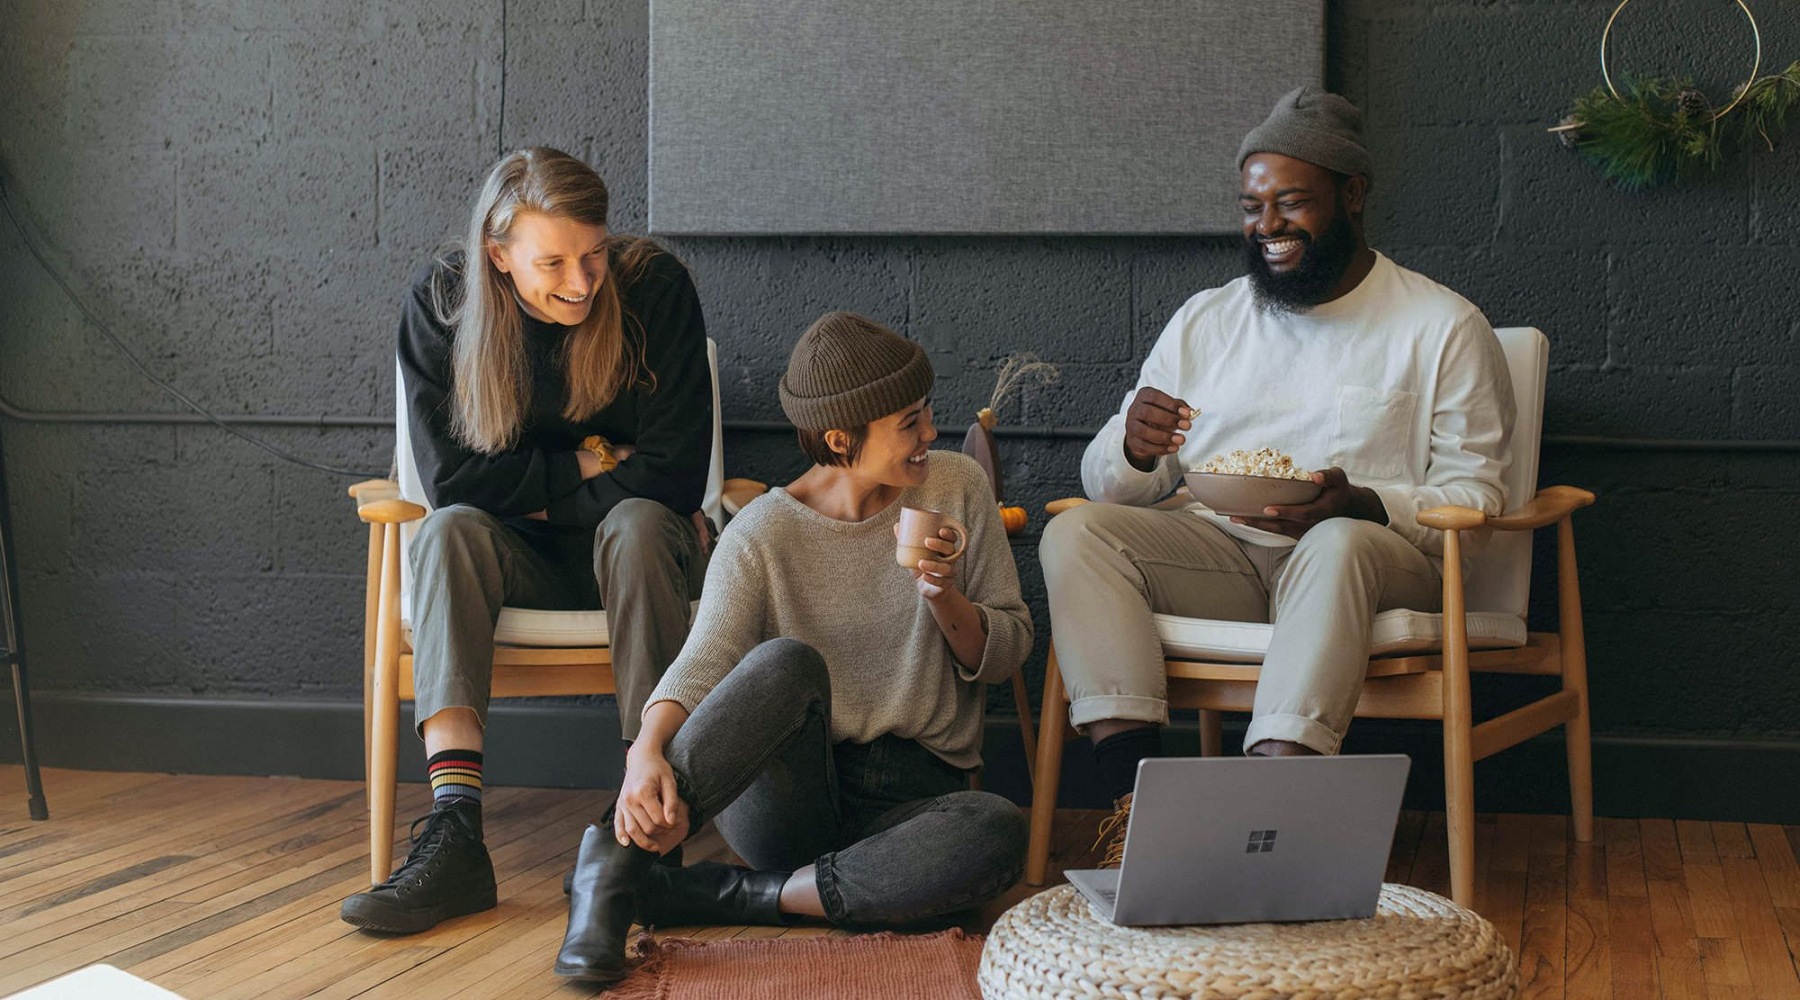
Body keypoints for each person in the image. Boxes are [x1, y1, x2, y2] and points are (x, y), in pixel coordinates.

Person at [1039, 86, 1516, 861]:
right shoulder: (1208, 319)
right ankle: (1139, 815)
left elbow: (1478, 495)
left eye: (1291, 203)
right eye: (1252, 206)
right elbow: (1112, 486)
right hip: (1221, 553)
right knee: (1078, 533)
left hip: (1373, 563)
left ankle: (1267, 817)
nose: (1267, 227)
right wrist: (1135, 445)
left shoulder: (1441, 327)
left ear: (1353, 196)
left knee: (1337, 543)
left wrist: (1364, 503)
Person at [551, 312, 1033, 984]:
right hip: (791, 799)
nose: (929, 434)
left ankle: (738, 896)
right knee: (784, 663)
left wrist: (944, 595)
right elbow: (706, 656)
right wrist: (645, 753)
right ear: (841, 438)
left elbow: (1009, 650)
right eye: (908, 424)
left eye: (927, 414)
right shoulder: (762, 533)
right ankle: (616, 864)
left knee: (997, 830)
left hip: (918, 800)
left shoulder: (955, 486)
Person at [340, 147, 715, 934]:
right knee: (444, 534)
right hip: (515, 564)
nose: (582, 283)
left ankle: (646, 826)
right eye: (554, 262)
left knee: (641, 523)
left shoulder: (654, 289)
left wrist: (530, 490)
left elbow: (675, 480)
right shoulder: (443, 302)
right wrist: (592, 463)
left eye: (594, 254)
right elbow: (448, 483)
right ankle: (455, 835)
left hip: (644, 557)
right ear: (497, 254)